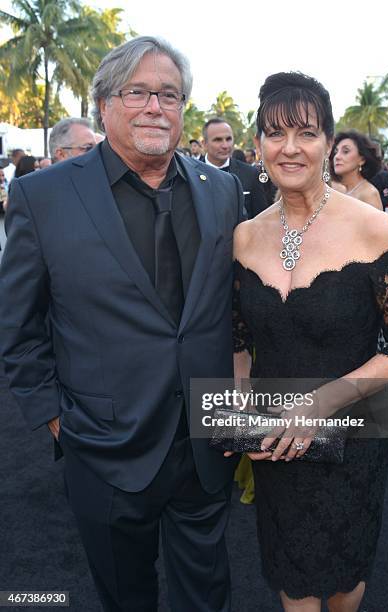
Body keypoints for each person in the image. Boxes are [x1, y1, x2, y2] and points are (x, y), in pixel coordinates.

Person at [0, 35, 243, 612]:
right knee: (124, 597)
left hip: (206, 446)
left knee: (207, 596)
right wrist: (59, 422)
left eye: (170, 95)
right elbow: (18, 327)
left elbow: (232, 309)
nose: (156, 107)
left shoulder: (222, 190)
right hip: (104, 447)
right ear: (104, 103)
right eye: (138, 92)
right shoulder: (43, 195)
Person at [231, 71, 388, 612]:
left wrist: (322, 402)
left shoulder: (373, 228)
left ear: (329, 142)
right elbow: (240, 341)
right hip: (277, 444)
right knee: (292, 585)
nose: (289, 148)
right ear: (258, 144)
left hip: (353, 438)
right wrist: (240, 408)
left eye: (306, 133)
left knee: (342, 588)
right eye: (275, 133)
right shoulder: (245, 236)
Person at [202, 117, 268, 218]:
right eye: (218, 140)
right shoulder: (191, 174)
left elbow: (261, 216)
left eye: (228, 139)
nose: (225, 145)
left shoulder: (250, 174)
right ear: (204, 144)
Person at [331, 130, 383, 210]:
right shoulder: (335, 189)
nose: (337, 156)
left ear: (362, 160)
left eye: (345, 151)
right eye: (336, 152)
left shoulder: (369, 194)